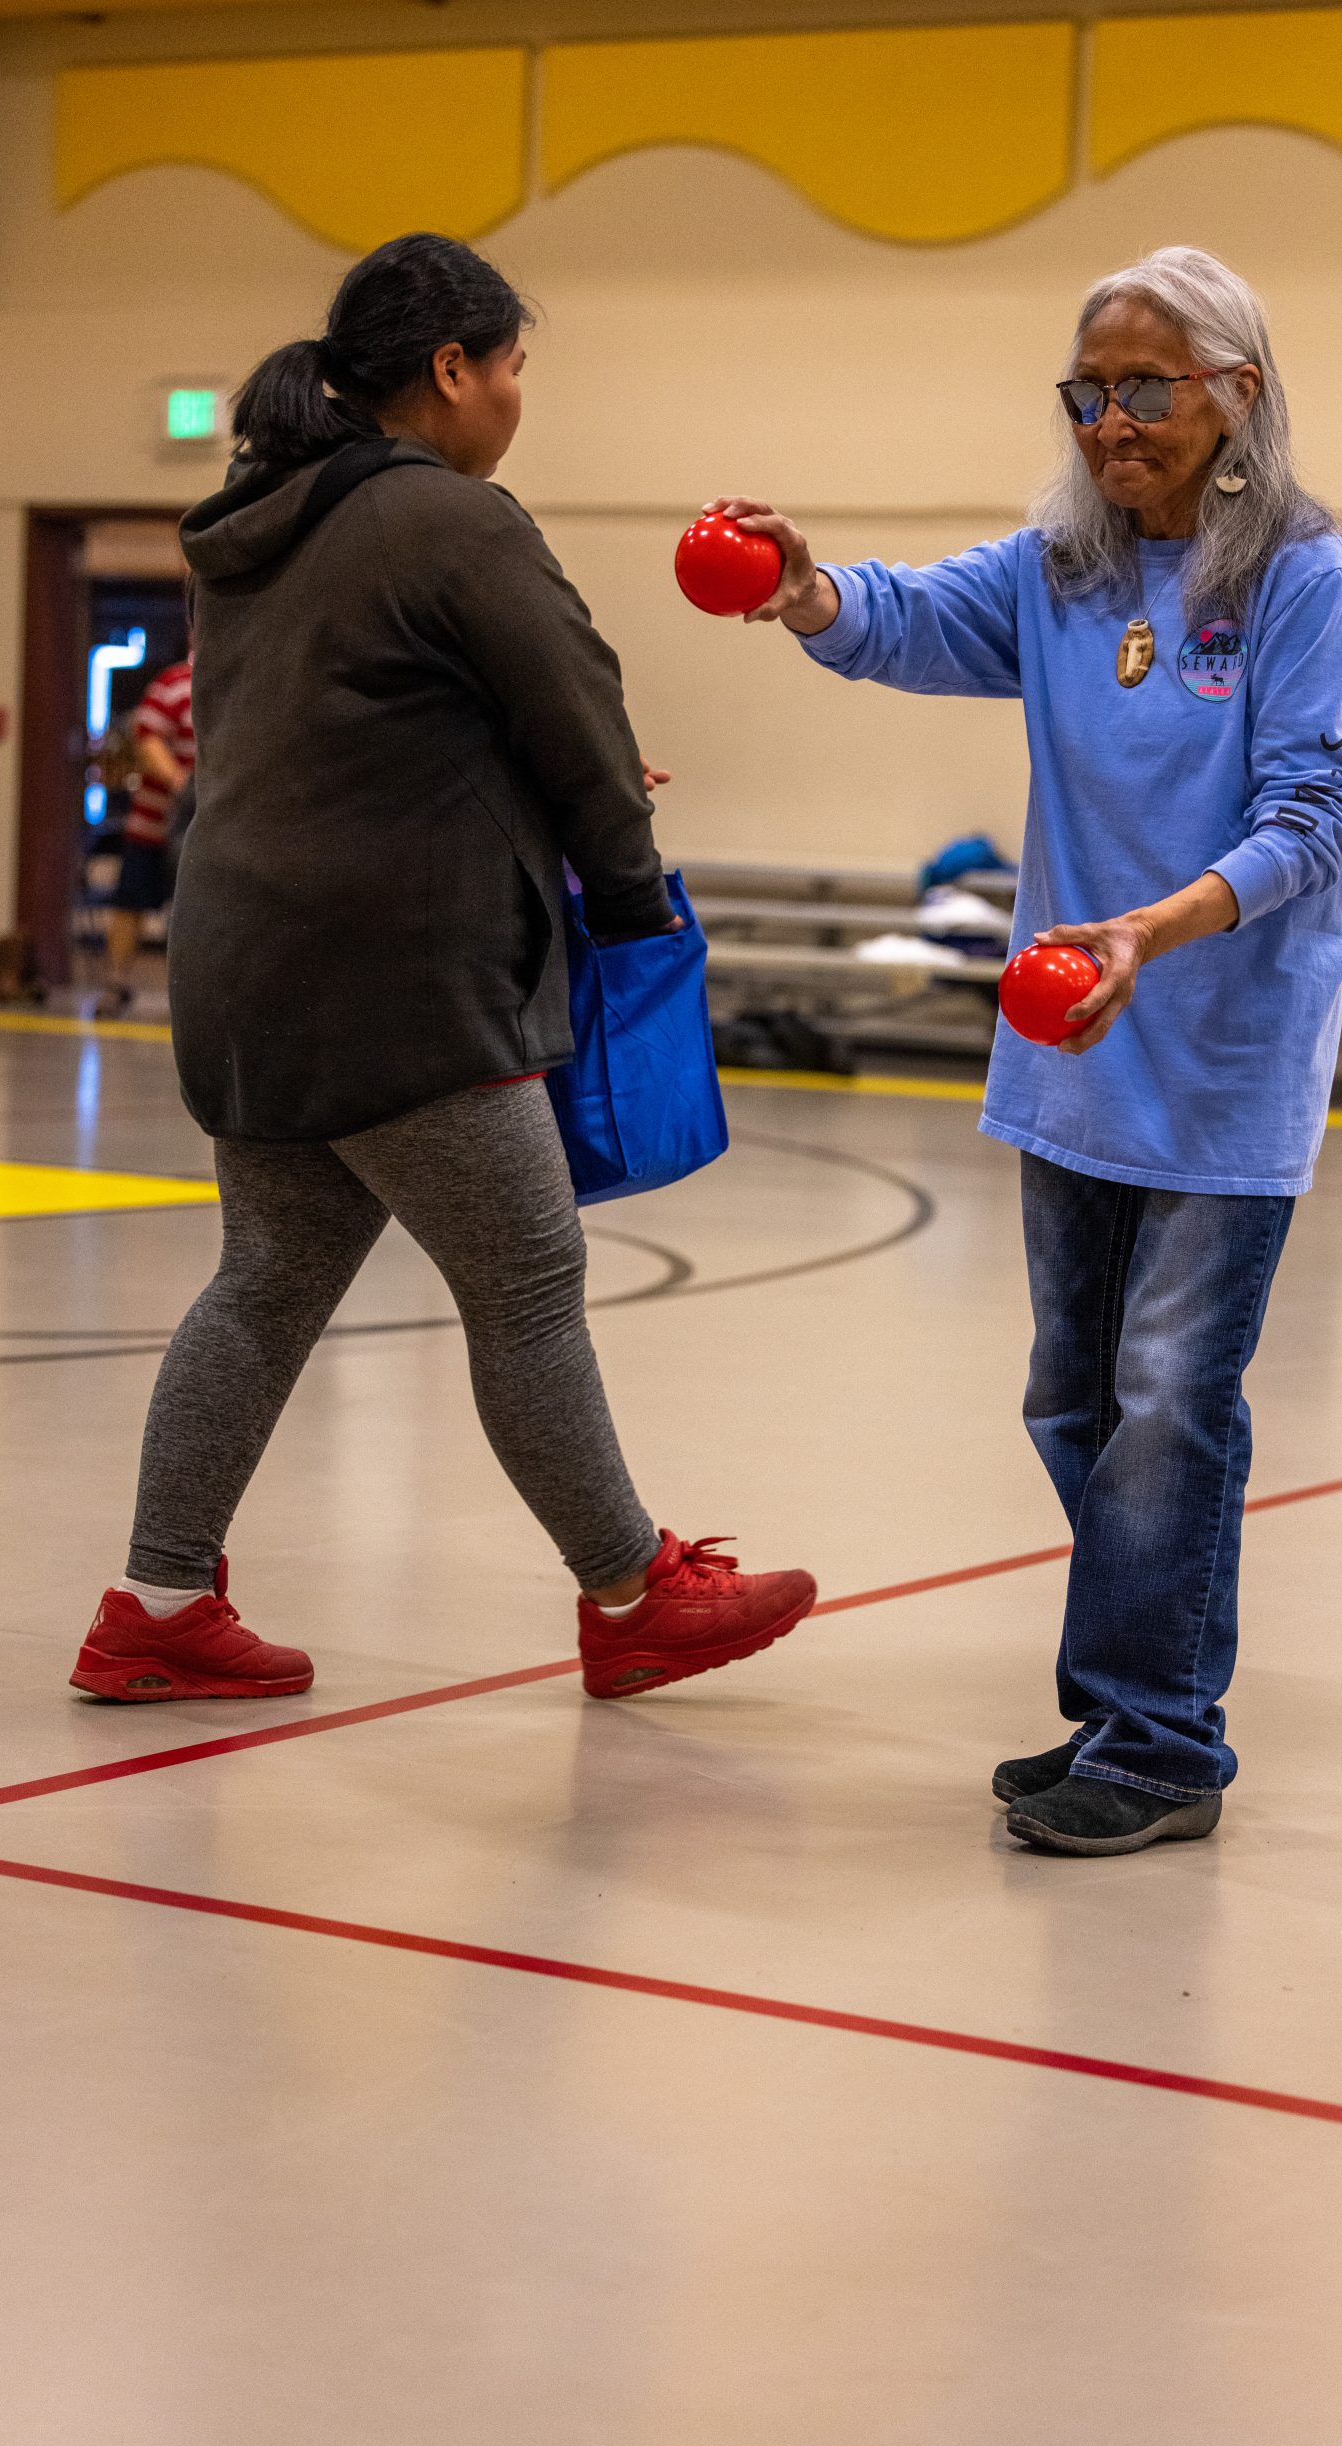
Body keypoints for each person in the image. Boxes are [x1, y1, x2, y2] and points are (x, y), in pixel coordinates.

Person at [71, 231, 814, 1707]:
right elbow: (581, 714)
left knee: (267, 1279)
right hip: (399, 979)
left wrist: (534, 796)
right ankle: (631, 1593)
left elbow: (367, 742)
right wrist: (632, 905)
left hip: (246, 970)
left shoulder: (256, 523)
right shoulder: (452, 520)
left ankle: (157, 1604)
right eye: (517, 366)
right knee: (529, 1278)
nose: (521, 397)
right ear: (455, 367)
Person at [720, 244, 1342, 1856]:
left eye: (1145, 388)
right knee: (1075, 1400)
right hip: (1073, 1047)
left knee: (1170, 1398)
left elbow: (1323, 810)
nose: (1110, 423)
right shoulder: (1062, 569)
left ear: (1236, 394)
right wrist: (802, 587)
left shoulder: (1298, 576)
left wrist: (1150, 931)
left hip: (1219, 1059)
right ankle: (1121, 1709)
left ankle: (1160, 1742)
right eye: (1088, 392)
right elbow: (901, 617)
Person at [95, 652, 194, 1018]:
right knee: (130, 901)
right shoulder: (172, 684)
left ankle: (190, 994)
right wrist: (182, 785)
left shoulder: (238, 680)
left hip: (203, 829)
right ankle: (116, 983)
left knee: (193, 910)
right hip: (154, 821)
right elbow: (147, 737)